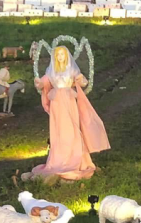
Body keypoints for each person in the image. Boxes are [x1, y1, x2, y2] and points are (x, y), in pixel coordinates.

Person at [29, 44, 109, 182]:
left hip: (69, 100)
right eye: (58, 55)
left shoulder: (70, 70)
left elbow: (82, 81)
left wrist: (81, 79)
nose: (60, 57)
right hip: (57, 103)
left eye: (62, 55)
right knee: (59, 129)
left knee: (72, 128)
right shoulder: (51, 72)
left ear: (66, 57)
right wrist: (38, 82)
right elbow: (44, 82)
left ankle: (75, 156)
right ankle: (60, 157)